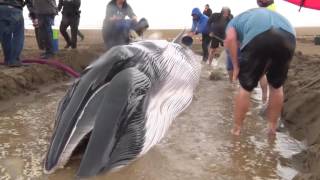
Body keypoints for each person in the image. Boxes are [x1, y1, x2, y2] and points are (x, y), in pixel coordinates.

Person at [224, 8, 296, 136]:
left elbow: (230, 39)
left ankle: (236, 130)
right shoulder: (250, 17)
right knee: (276, 86)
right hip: (289, 37)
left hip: (260, 36)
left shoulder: (232, 22)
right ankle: (272, 129)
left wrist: (235, 66)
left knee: (245, 87)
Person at [0, 0, 32, 67]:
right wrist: (33, 14)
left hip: (1, 8)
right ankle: (14, 60)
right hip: (15, 8)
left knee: (5, 35)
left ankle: (8, 59)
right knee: (18, 35)